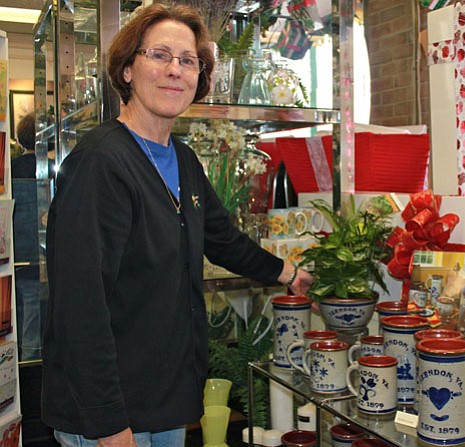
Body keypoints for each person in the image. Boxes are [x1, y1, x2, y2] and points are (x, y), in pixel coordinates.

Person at [42, 4, 313, 447]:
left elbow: (220, 237)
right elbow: (80, 304)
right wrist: (108, 423)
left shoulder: (183, 160)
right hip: (111, 413)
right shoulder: (99, 163)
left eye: (188, 61)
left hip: (162, 398)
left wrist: (288, 274)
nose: (175, 70)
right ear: (128, 68)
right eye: (159, 55)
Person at [11, 112, 50, 361]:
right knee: (34, 323)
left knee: (17, 316)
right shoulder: (48, 170)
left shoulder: (10, 170)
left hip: (13, 255)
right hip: (37, 258)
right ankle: (30, 366)